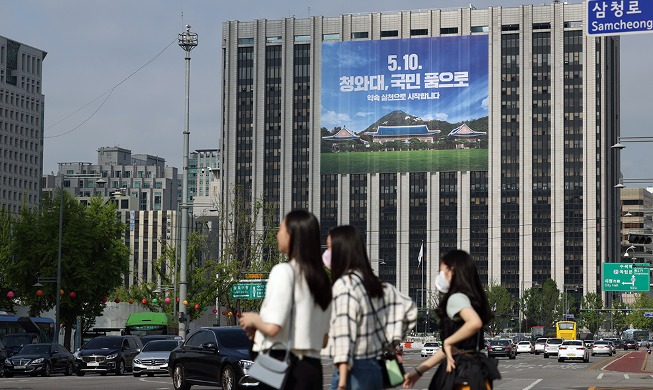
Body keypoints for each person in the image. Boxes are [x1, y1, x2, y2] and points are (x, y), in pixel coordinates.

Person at [239, 210, 332, 390]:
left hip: (282, 366)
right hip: (312, 368)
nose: (277, 234)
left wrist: (254, 320)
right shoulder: (322, 281)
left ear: (292, 235)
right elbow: (324, 341)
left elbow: (273, 328)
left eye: (280, 228)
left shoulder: (283, 271)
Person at [403, 249, 498, 390]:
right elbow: (450, 349)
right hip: (475, 372)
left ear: (451, 271)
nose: (439, 276)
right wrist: (419, 371)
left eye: (441, 271)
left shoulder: (456, 298)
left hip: (459, 375)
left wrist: (448, 341)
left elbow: (474, 323)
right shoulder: (472, 300)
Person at [323, 225, 392, 390]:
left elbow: (344, 334)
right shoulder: (368, 283)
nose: (326, 253)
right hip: (374, 368)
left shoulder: (344, 285)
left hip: (353, 372)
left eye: (330, 247)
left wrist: (341, 383)